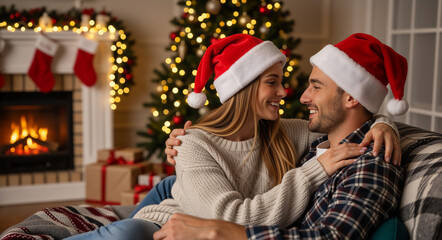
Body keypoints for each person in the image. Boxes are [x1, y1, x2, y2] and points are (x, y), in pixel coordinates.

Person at [66, 33, 398, 240]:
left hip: (195, 215)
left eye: (284, 82)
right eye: (273, 82)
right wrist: (315, 171)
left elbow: (351, 118)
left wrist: (383, 123)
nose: (287, 93)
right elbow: (225, 220)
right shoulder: (193, 143)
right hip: (167, 220)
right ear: (245, 88)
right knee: (128, 232)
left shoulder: (287, 132)